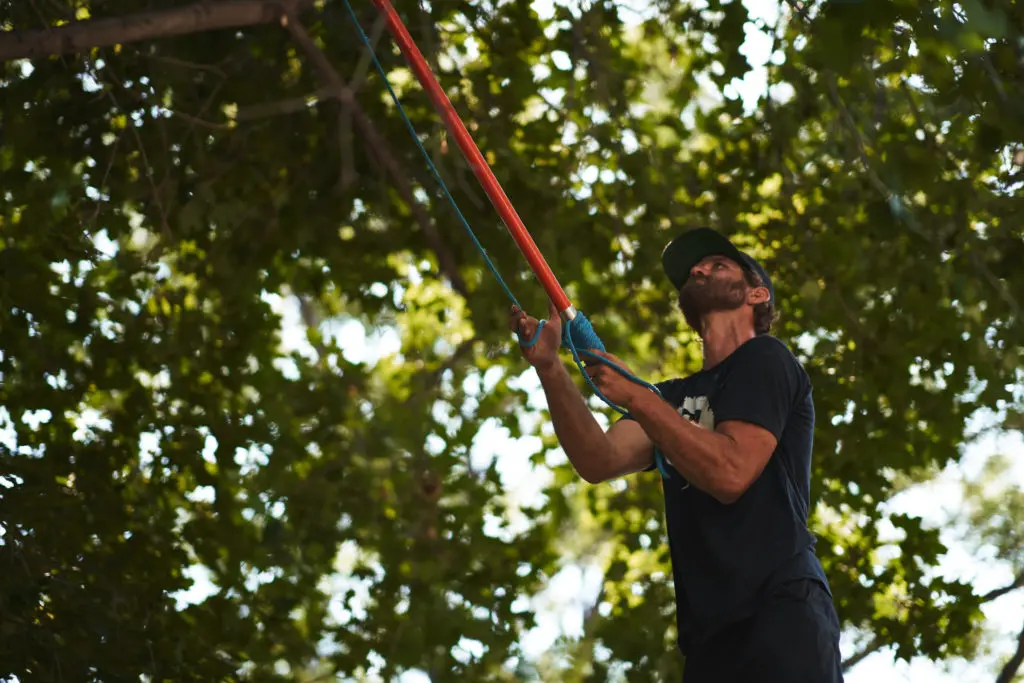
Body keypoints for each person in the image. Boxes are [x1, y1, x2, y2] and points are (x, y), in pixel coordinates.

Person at [509, 227, 844, 682]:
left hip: (780, 612)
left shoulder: (766, 359)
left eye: (717, 265)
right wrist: (550, 370)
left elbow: (730, 473)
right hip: (709, 642)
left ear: (756, 294)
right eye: (695, 269)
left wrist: (639, 398)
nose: (699, 269)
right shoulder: (672, 397)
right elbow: (599, 459)